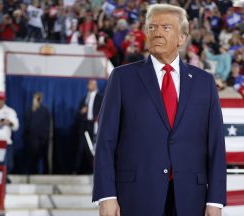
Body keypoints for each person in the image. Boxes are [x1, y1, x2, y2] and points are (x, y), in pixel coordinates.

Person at [93, 4, 226, 216]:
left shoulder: (204, 82)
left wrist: (216, 200)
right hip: (135, 195)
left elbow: (216, 144)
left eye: (165, 27)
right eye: (152, 27)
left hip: (191, 199)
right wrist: (106, 195)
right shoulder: (122, 78)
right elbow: (106, 141)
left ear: (182, 38)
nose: (157, 32)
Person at [74, 79, 102, 174]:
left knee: (93, 149)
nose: (88, 85)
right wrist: (81, 112)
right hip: (85, 125)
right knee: (81, 148)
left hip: (95, 126)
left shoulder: (100, 98)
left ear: (94, 85)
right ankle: (77, 170)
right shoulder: (84, 98)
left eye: (90, 84)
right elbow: (79, 112)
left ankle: (93, 170)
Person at [23, 92, 50, 174]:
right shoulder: (30, 111)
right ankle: (34, 172)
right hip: (34, 138)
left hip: (41, 138)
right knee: (34, 157)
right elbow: (27, 125)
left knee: (42, 157)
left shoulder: (44, 110)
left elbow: (47, 124)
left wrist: (45, 136)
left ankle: (44, 173)